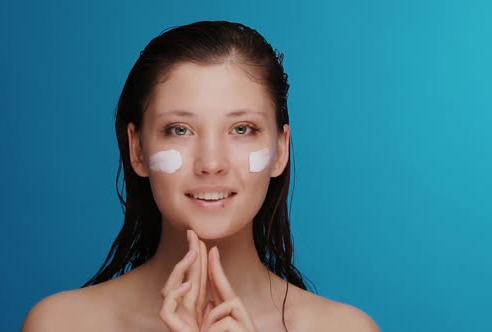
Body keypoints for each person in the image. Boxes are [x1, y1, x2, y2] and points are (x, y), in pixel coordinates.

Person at [22, 20, 380, 331]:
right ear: (137, 150)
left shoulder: (347, 328)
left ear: (280, 150)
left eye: (242, 129)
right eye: (179, 129)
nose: (211, 163)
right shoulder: (61, 324)